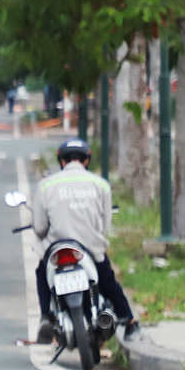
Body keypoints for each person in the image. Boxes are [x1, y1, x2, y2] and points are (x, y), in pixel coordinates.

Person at [31, 137, 140, 342]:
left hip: (57, 250)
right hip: (90, 251)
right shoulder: (101, 185)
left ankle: (46, 316)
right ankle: (129, 321)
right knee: (108, 281)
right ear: (87, 160)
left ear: (61, 161)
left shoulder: (46, 186)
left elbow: (39, 227)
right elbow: (104, 226)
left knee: (41, 273)